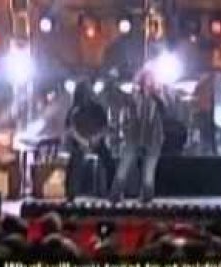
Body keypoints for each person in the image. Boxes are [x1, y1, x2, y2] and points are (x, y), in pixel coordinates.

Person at [110, 71, 165, 203]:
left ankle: (147, 196)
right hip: (134, 135)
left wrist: (158, 94)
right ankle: (116, 194)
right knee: (124, 165)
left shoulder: (159, 97)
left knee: (149, 170)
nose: (148, 82)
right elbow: (126, 107)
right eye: (146, 79)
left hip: (153, 137)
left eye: (151, 79)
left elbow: (166, 109)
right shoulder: (134, 96)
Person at [64, 80, 115, 200]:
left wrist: (96, 138)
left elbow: (105, 127)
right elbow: (70, 129)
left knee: (110, 162)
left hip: (96, 141)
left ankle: (111, 191)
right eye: (84, 92)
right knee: (74, 162)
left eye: (88, 92)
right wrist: (82, 141)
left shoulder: (98, 108)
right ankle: (71, 193)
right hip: (80, 143)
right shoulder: (73, 110)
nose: (86, 95)